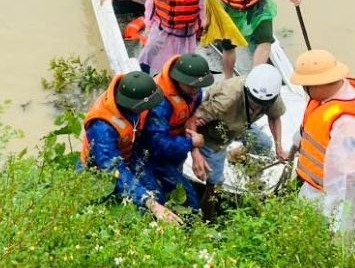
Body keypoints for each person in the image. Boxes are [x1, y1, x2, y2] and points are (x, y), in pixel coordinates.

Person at [286, 49, 355, 239]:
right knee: (303, 229)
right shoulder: (326, 99)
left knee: (339, 245)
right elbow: (308, 130)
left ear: (320, 84)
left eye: (306, 85)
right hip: (318, 185)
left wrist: (335, 218)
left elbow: (346, 177)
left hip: (349, 197)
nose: (304, 89)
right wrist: (291, 150)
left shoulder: (350, 124)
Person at [185, 63, 292, 220]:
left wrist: (279, 147)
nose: (257, 105)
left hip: (241, 125)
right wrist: (195, 154)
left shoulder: (270, 95)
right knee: (215, 183)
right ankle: (207, 218)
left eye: (262, 104)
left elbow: (274, 116)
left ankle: (235, 155)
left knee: (263, 145)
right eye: (253, 100)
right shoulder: (226, 100)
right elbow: (191, 122)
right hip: (213, 136)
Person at [80, 71, 182, 225]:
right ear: (134, 106)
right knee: (139, 211)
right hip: (99, 169)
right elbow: (113, 169)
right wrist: (150, 204)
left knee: (157, 195)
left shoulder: (135, 102)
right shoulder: (101, 127)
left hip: (130, 154)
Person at [134, 53, 214, 211]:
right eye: (192, 86)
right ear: (178, 79)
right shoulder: (160, 102)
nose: (196, 90)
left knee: (181, 195)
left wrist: (195, 151)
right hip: (151, 155)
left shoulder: (193, 90)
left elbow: (191, 119)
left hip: (177, 148)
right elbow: (157, 144)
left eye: (198, 86)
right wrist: (191, 143)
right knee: (185, 202)